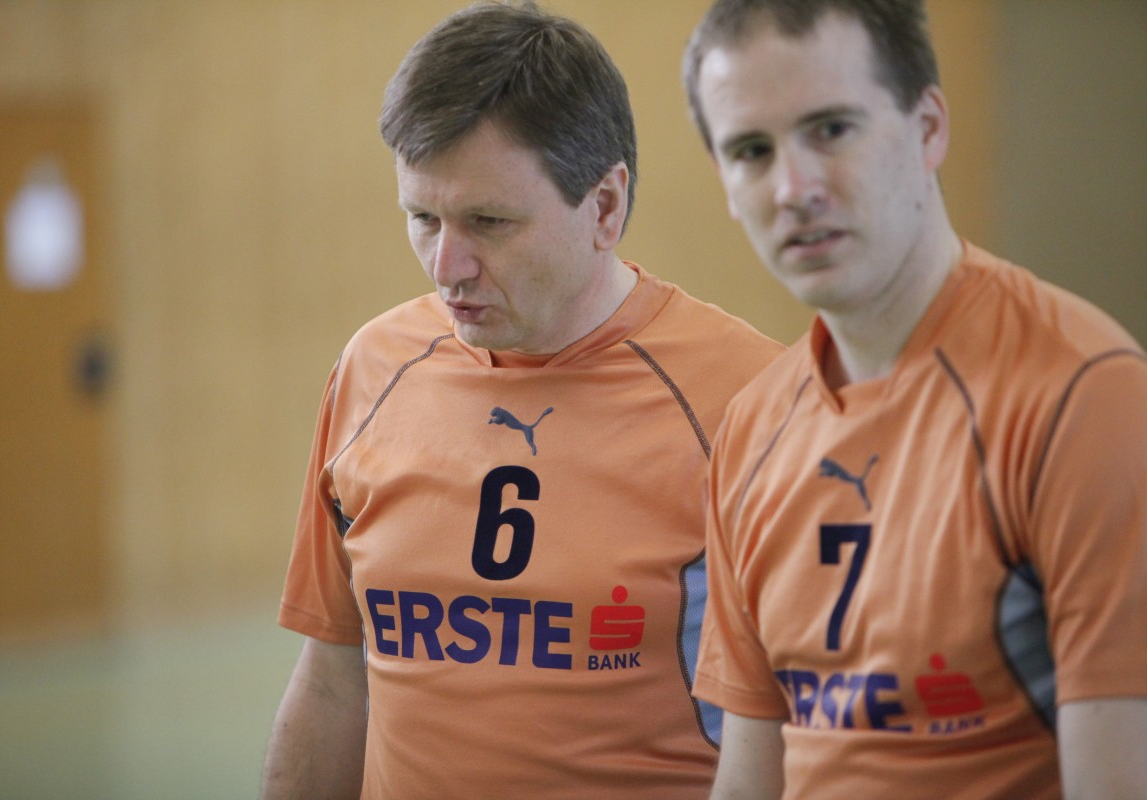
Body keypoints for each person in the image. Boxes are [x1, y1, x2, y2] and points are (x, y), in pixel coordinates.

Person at [259, 2, 784, 798]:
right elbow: (334, 680)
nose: (447, 266)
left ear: (604, 207)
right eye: (422, 218)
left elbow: (811, 730)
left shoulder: (750, 403)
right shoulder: (373, 369)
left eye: (489, 221)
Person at [681, 1, 1147, 798]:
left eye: (832, 130)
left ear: (928, 128)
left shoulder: (1085, 395)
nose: (793, 188)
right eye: (752, 151)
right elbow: (750, 781)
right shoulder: (753, 430)